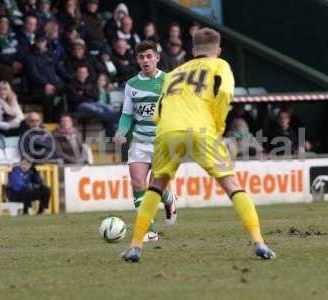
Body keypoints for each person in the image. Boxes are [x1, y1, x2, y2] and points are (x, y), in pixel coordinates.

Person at [122, 28, 276, 262]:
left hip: (167, 131)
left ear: (193, 51)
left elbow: (159, 108)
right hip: (202, 129)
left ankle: (135, 247)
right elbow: (224, 93)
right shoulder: (220, 65)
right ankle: (259, 243)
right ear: (219, 51)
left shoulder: (175, 72)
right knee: (231, 184)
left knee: (155, 186)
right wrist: (218, 125)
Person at [114, 41, 178, 243]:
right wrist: (121, 132)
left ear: (157, 58)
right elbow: (126, 115)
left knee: (154, 189)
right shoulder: (132, 85)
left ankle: (169, 200)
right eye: (141, 57)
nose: (145, 60)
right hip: (140, 141)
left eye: (149, 56)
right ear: (137, 60)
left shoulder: (168, 81)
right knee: (137, 183)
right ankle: (149, 230)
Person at [66, 65, 118, 137]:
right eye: (80, 72)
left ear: (87, 74)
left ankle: (113, 121)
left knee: (106, 107)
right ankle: (115, 118)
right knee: (91, 107)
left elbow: (95, 96)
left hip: (91, 104)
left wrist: (82, 94)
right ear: (77, 73)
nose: (82, 74)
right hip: (78, 108)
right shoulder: (71, 85)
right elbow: (75, 98)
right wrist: (86, 95)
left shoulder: (90, 84)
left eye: (84, 73)